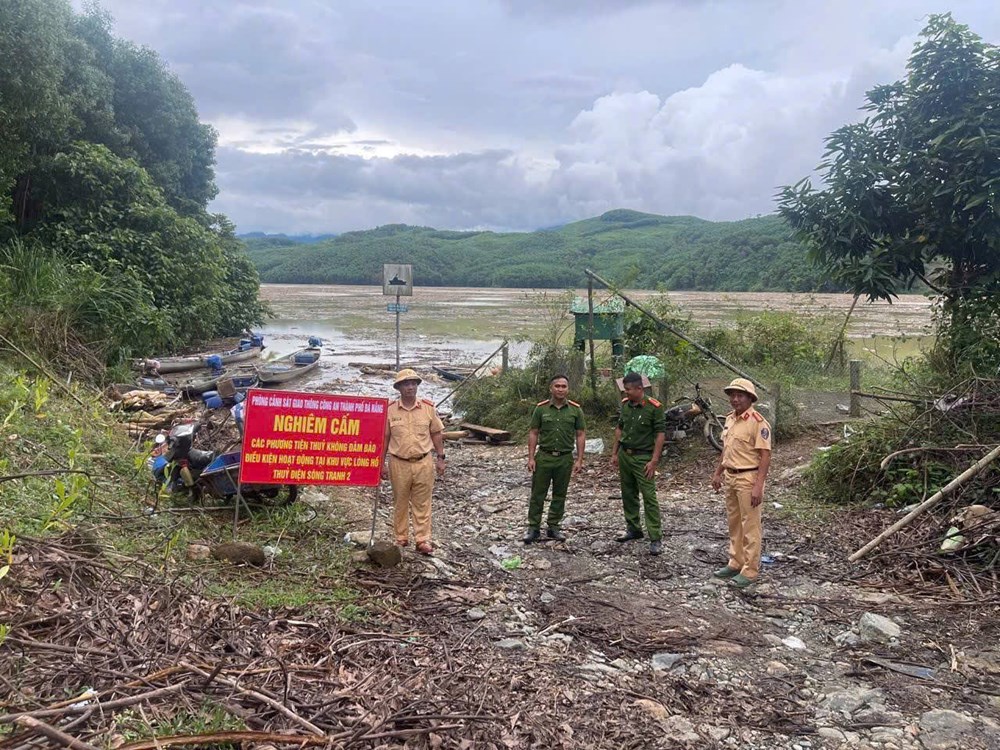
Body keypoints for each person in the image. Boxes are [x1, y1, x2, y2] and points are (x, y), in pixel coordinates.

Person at [710, 378, 772, 589]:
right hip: (730, 476)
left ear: (750, 398)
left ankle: (750, 569)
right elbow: (726, 450)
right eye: (732, 395)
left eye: (740, 395)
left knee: (750, 525)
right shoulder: (730, 419)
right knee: (734, 522)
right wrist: (718, 473)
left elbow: (765, 455)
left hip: (748, 478)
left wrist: (758, 486)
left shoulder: (758, 422)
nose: (735, 399)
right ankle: (735, 562)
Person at [380, 368, 446, 556]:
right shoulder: (390, 410)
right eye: (406, 384)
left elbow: (436, 433)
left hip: (424, 461)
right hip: (398, 462)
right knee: (400, 500)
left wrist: (441, 458)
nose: (410, 387)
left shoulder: (428, 408)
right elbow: (385, 438)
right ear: (399, 387)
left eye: (413, 383)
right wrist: (381, 464)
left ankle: (422, 539)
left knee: (422, 502)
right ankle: (401, 537)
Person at [524, 375, 586, 544]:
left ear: (568, 389)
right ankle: (533, 528)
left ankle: (553, 526)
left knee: (560, 494)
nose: (560, 389)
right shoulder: (541, 409)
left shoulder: (575, 410)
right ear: (551, 388)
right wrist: (531, 457)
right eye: (557, 386)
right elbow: (534, 432)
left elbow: (580, 434)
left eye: (563, 386)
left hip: (565, 459)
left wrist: (580, 459)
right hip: (544, 457)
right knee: (538, 494)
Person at [610, 371, 667, 555]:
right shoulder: (626, 405)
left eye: (628, 389)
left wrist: (654, 461)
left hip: (643, 457)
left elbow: (660, 434)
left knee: (649, 497)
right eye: (625, 389)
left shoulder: (654, 407)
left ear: (639, 388)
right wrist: (615, 453)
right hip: (625, 455)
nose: (626, 393)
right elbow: (620, 429)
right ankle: (633, 528)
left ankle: (655, 537)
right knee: (628, 493)